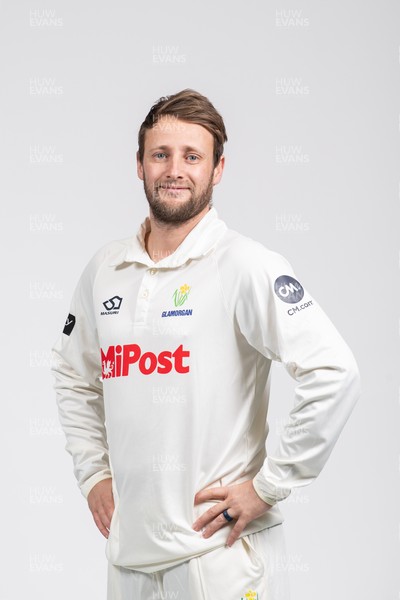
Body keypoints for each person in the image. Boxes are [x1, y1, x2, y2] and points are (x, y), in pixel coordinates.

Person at [52, 89, 361, 600]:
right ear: (138, 164)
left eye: (192, 156)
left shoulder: (244, 264)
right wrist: (93, 474)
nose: (175, 170)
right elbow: (72, 375)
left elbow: (334, 372)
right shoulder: (105, 270)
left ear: (218, 169)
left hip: (218, 557)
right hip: (129, 559)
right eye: (161, 154)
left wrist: (268, 486)